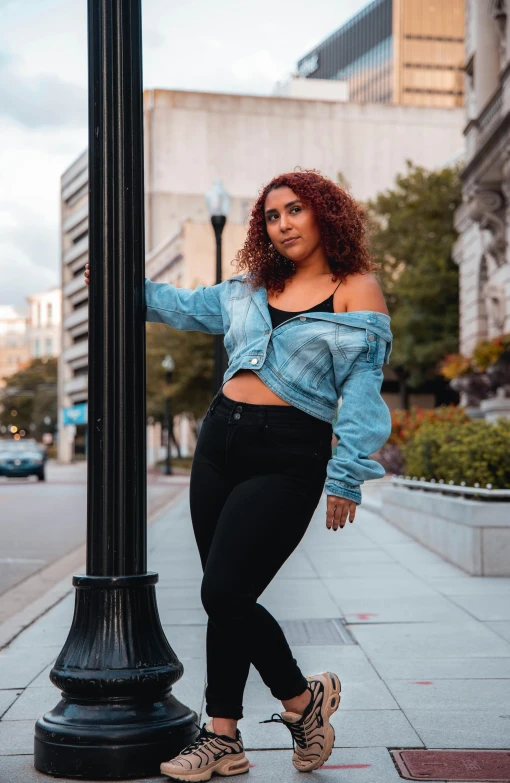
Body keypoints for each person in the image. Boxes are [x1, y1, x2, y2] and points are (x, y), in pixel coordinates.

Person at [84, 169, 392, 782]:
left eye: (295, 210)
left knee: (222, 592)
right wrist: (123, 286)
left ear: (324, 215)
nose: (283, 224)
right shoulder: (249, 286)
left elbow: (362, 390)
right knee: (227, 597)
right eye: (273, 216)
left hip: (289, 456)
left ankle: (301, 702)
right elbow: (181, 305)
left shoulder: (356, 288)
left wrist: (346, 475)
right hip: (219, 444)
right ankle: (223, 736)